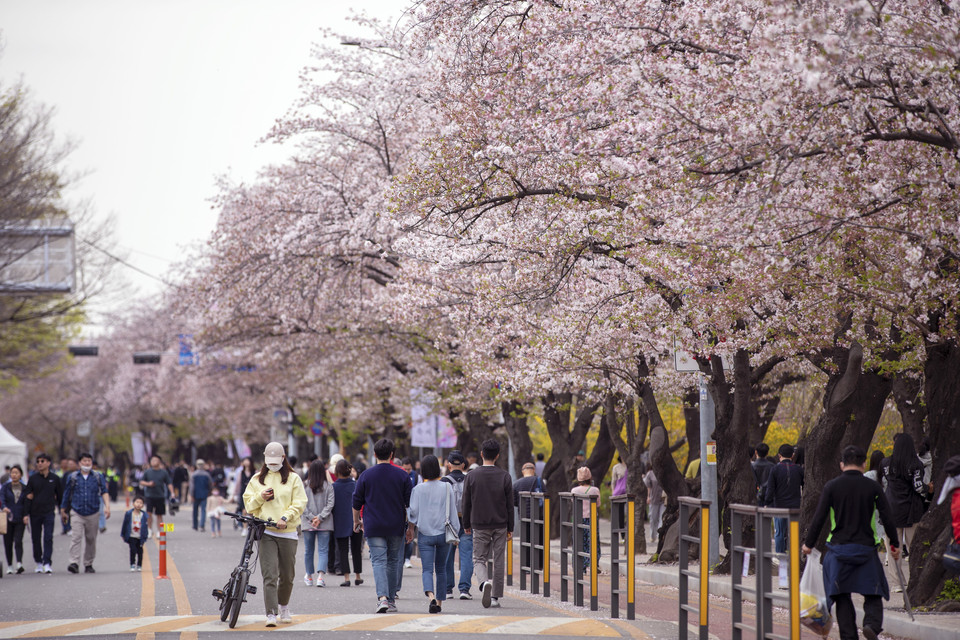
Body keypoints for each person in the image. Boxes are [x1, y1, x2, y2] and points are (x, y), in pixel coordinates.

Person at [803, 445, 900, 640]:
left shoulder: (832, 486)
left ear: (841, 464)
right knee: (873, 592)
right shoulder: (873, 487)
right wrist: (894, 544)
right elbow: (887, 517)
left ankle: (848, 637)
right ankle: (871, 624)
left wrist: (809, 544)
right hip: (866, 549)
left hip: (838, 550)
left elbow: (819, 518)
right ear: (864, 464)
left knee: (841, 594)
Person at [243, 442, 307, 627]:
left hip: (287, 531)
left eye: (275, 461)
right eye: (269, 462)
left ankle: (284, 606)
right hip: (266, 531)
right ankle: (271, 613)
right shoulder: (257, 479)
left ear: (283, 458)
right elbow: (249, 506)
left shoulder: (294, 478)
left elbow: (300, 502)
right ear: (264, 460)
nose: (272, 465)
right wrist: (260, 497)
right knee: (269, 574)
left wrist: (286, 517)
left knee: (287, 576)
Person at [352, 438, 412, 613]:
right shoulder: (402, 475)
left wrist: (356, 521)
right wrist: (410, 527)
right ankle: (392, 600)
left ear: (375, 454)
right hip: (396, 524)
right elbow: (410, 505)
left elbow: (356, 502)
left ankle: (382, 598)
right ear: (392, 455)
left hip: (374, 525)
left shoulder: (366, 475)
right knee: (394, 561)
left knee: (378, 561)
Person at [462, 438, 514, 609]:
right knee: (498, 559)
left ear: (481, 454)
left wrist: (466, 523)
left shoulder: (471, 476)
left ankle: (484, 583)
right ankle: (495, 597)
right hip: (500, 523)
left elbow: (466, 502)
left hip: (479, 522)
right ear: (497, 456)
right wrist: (510, 527)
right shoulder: (505, 476)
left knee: (479, 558)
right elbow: (509, 505)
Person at [407, 455, 460, 614]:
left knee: (427, 570)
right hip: (444, 533)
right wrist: (456, 532)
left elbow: (413, 513)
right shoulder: (446, 487)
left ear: (422, 471)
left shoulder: (417, 489)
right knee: (442, 569)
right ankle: (440, 603)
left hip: (425, 534)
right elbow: (453, 512)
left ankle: (431, 597)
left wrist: (411, 528)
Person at [60, 452, 110, 574]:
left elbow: (104, 491)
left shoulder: (98, 476)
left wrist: (107, 506)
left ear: (92, 463)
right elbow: (66, 493)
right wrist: (63, 509)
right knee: (76, 537)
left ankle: (88, 563)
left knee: (91, 539)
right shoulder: (73, 477)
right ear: (79, 463)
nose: (87, 463)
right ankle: (74, 562)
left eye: (89, 461)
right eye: (84, 461)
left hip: (93, 512)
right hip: (77, 511)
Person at [764, 443, 803, 588]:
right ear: (792, 455)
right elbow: (804, 486)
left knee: (780, 534)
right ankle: (795, 563)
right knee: (793, 536)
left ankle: (782, 564)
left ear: (779, 455)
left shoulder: (775, 469)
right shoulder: (798, 469)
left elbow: (770, 489)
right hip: (795, 508)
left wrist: (767, 503)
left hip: (779, 508)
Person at [882, 432, 927, 558]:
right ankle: (913, 577)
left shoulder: (886, 463)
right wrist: (928, 488)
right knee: (913, 548)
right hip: (911, 510)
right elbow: (918, 487)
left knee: (893, 550)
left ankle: (895, 578)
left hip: (891, 509)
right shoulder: (915, 464)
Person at [23, 453, 62, 573]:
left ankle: (47, 562)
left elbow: (60, 496)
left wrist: (63, 511)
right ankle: (38, 562)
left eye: (42, 461)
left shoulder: (55, 478)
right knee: (36, 538)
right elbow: (28, 497)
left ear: (48, 463)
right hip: (35, 513)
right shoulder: (33, 479)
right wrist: (25, 514)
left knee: (48, 537)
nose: (39, 463)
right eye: (38, 461)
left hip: (49, 512)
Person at [441, 451, 472, 599]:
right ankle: (464, 589)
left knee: (448, 556)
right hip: (467, 523)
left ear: (448, 464)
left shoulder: (444, 481)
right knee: (466, 556)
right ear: (464, 464)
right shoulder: (470, 480)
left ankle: (448, 589)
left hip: (449, 523)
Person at [302, 459, 335, 587]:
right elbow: (330, 504)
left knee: (308, 550)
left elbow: (302, 504)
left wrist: (311, 518)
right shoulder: (329, 486)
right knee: (323, 550)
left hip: (308, 523)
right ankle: (320, 577)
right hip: (325, 523)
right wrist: (320, 518)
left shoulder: (305, 485)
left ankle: (309, 576)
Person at [332, 459, 363, 587]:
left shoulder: (333, 487)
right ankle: (358, 576)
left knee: (343, 549)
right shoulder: (355, 485)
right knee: (356, 549)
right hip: (356, 520)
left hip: (339, 521)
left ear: (336, 471)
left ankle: (346, 577)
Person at [571, 467, 601, 574]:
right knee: (593, 541)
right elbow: (598, 504)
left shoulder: (574, 490)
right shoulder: (595, 490)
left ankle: (580, 565)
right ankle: (593, 563)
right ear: (590, 477)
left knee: (579, 541)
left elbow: (572, 502)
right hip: (592, 518)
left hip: (579, 519)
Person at [140, 455, 175, 538]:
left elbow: (169, 483)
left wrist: (172, 493)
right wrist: (148, 484)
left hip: (160, 496)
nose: (153, 462)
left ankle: (160, 531)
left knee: (159, 514)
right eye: (152, 460)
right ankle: (149, 530)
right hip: (149, 495)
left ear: (159, 462)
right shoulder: (148, 472)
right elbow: (141, 481)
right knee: (149, 513)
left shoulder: (164, 472)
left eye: (155, 460)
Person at [2, 465, 28, 574]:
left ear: (20, 475)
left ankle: (19, 563)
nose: (14, 475)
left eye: (16, 473)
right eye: (12, 473)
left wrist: (26, 515)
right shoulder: (5, 487)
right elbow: (1, 498)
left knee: (18, 540)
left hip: (20, 518)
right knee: (7, 542)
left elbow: (27, 502)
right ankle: (9, 565)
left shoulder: (25, 488)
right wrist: (4, 507)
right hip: (8, 518)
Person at [120, 496, 149, 571]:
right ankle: (132, 564)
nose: (138, 504)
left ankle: (139, 565)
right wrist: (123, 534)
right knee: (132, 550)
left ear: (143, 505)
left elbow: (146, 526)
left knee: (140, 551)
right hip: (131, 535)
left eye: (141, 503)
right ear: (133, 504)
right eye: (137, 502)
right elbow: (125, 524)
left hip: (140, 536)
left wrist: (146, 536)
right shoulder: (129, 514)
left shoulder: (144, 515)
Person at [190, 459, 213, 532]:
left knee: (195, 510)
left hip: (196, 494)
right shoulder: (207, 474)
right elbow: (210, 484)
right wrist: (209, 492)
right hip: (204, 494)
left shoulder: (194, 474)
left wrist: (191, 495)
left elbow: (192, 486)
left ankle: (195, 525)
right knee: (203, 510)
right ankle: (202, 525)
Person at [643, 468, 663, 543]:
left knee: (661, 518)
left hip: (663, 500)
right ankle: (652, 535)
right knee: (653, 518)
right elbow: (648, 487)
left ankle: (659, 535)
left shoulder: (664, 472)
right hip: (653, 499)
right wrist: (648, 497)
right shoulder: (650, 474)